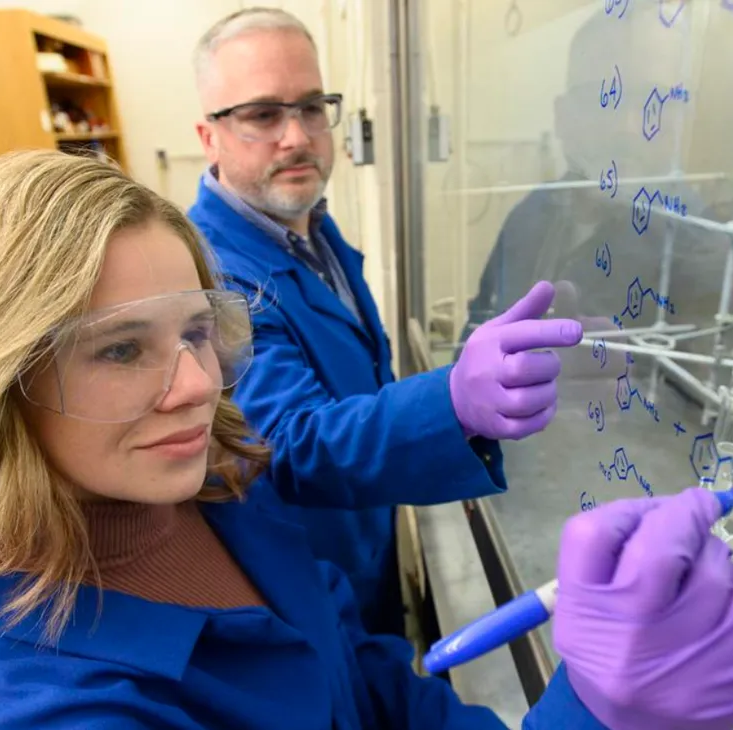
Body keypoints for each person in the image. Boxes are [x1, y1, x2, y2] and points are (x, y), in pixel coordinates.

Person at [0, 150, 733, 729]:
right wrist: (598, 714)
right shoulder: (47, 711)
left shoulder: (214, 493)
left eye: (194, 332)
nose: (198, 384)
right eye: (118, 348)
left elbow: (368, 683)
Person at [187, 7, 582, 637]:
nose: (296, 136)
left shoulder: (309, 225)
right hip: (307, 579)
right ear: (209, 136)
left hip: (360, 539)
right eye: (263, 115)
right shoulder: (211, 274)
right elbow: (287, 442)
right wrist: (451, 403)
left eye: (313, 107)